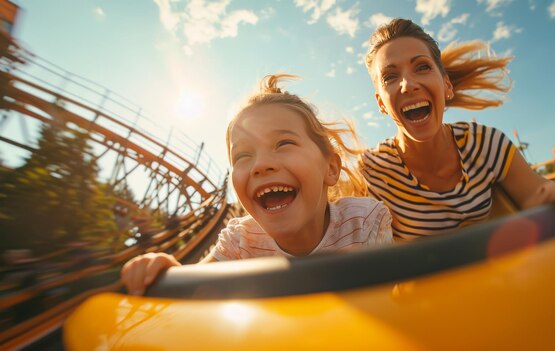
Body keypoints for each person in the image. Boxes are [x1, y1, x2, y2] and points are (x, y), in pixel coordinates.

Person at [122, 74, 393, 295]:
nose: (261, 165)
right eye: (242, 155)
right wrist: (170, 272)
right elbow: (196, 292)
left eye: (284, 143)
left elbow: (390, 296)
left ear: (331, 168)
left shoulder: (365, 220)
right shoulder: (241, 241)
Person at [360, 18, 555, 240]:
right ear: (381, 102)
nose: (408, 84)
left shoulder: (485, 143)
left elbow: (538, 197)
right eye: (390, 77)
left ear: (447, 86)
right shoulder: (372, 174)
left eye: (422, 67)